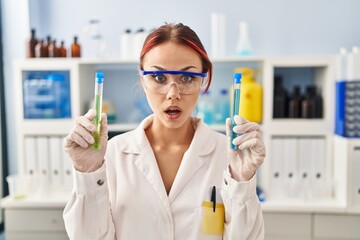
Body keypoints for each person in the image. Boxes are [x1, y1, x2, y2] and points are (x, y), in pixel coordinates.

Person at [63, 22, 266, 240]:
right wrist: (88, 172)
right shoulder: (112, 155)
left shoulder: (227, 157)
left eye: (187, 78)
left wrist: (242, 180)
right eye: (159, 78)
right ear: (143, 79)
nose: (172, 93)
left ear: (202, 81)